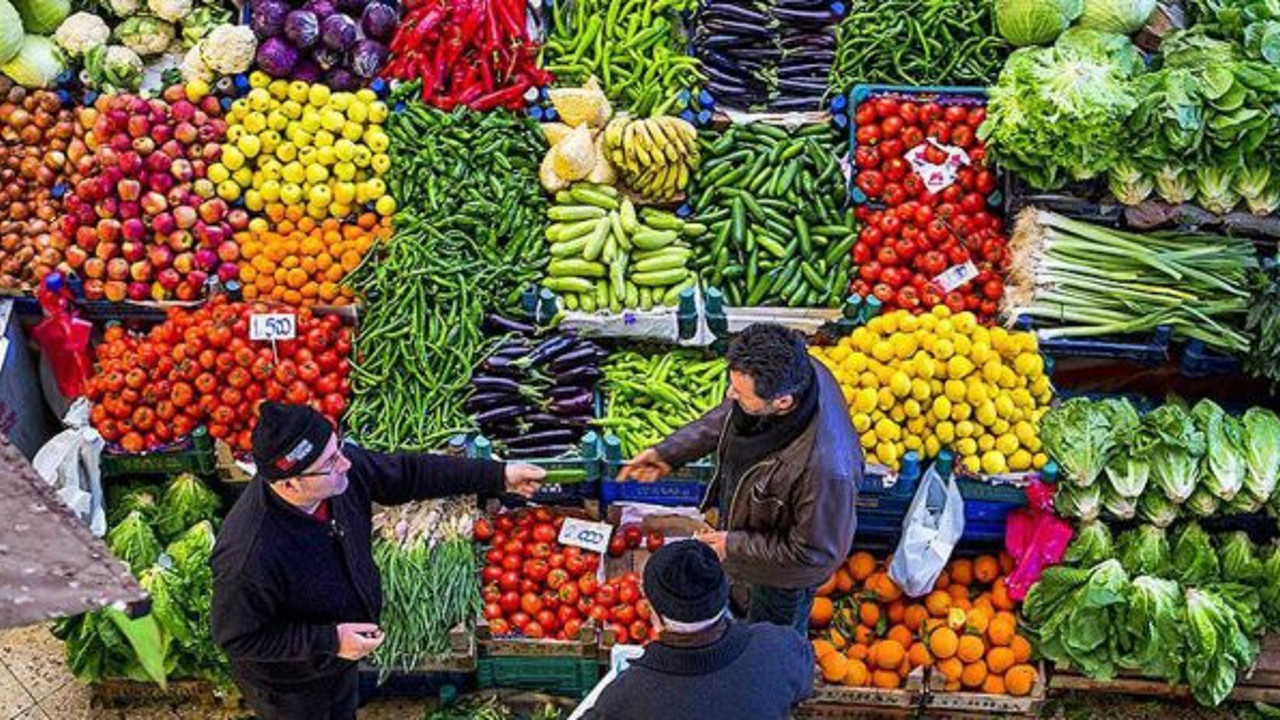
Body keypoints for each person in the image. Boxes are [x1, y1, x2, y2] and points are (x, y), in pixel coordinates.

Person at [210, 401, 546, 720]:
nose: (345, 464)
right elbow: (236, 638)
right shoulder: (248, 555)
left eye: (338, 448)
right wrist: (330, 641)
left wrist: (499, 475)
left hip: (338, 660)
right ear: (289, 483)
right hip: (290, 685)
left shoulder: (338, 475)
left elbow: (408, 473)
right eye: (329, 463)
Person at [618, 323, 860, 633]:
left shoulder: (825, 471)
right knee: (743, 606)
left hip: (782, 578)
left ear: (783, 402)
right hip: (754, 534)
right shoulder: (797, 370)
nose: (730, 394)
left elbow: (814, 555)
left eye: (740, 392)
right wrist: (670, 452)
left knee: (770, 637)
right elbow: (733, 414)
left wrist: (733, 544)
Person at [578, 541, 814, 720]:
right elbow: (803, 687)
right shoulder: (781, 649)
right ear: (723, 595)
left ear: (652, 611)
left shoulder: (622, 700)